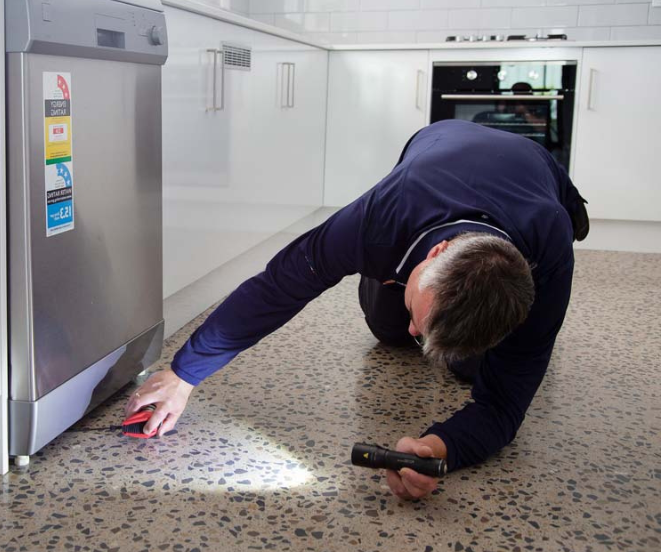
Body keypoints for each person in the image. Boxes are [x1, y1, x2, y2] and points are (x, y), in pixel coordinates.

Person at [124, 119, 589, 500]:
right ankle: (389, 285)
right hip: (437, 144)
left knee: (472, 368)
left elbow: (504, 405)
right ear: (433, 252)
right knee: (388, 331)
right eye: (418, 313)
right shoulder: (378, 218)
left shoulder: (549, 251)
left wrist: (438, 446)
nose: (416, 332)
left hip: (532, 169)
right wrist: (185, 374)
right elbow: (278, 287)